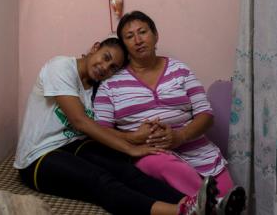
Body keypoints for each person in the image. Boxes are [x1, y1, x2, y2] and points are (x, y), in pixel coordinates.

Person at [14, 37, 219, 215]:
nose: (105, 68)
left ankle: (194, 203)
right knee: (99, 180)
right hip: (38, 156)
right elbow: (80, 122)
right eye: (106, 57)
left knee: (126, 170)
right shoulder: (60, 67)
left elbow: (99, 129)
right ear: (95, 48)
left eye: (113, 67)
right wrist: (131, 147)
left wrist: (134, 138)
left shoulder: (95, 88)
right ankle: (180, 212)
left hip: (73, 146)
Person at [94, 11, 246, 215]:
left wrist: (179, 136)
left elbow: (206, 115)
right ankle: (214, 206)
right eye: (129, 37)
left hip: (200, 153)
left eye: (143, 32)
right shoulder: (110, 85)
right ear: (124, 45)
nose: (138, 40)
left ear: (155, 35)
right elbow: (101, 131)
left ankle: (214, 206)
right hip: (152, 154)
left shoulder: (180, 70)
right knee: (164, 164)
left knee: (235, 205)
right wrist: (134, 138)